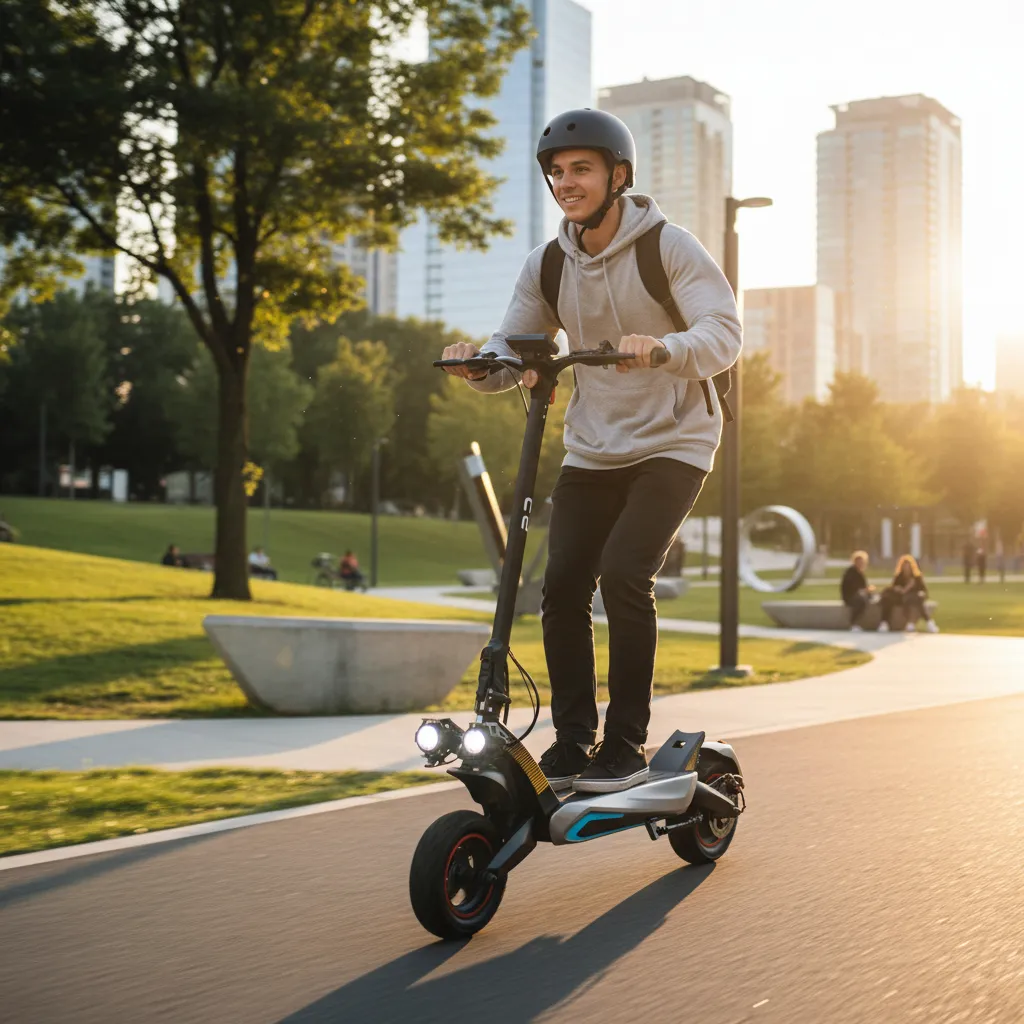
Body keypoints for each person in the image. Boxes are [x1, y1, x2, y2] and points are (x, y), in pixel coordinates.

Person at [440, 108, 741, 793]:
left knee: (624, 573)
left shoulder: (666, 247)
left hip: (675, 440)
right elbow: (513, 351)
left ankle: (625, 743)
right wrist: (476, 365)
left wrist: (664, 349)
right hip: (594, 448)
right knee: (563, 586)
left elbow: (723, 333)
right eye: (557, 172)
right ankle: (574, 739)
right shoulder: (549, 264)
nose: (567, 183)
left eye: (582, 169)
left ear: (618, 175)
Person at [879, 554, 938, 633]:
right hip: (901, 598)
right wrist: (898, 589)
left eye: (908, 566)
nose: (906, 568)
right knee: (888, 600)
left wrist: (912, 589)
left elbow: (923, 589)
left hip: (913, 597)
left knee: (915, 600)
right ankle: (884, 623)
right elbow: (893, 587)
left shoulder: (917, 577)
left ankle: (927, 623)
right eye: (904, 566)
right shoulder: (899, 576)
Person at [840, 550, 875, 632]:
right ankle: (854, 623)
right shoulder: (850, 572)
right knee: (861, 601)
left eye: (862, 562)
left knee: (870, 597)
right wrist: (864, 590)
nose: (861, 564)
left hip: (859, 595)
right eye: (858, 562)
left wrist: (868, 590)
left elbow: (863, 586)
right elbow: (852, 587)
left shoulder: (860, 573)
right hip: (850, 596)